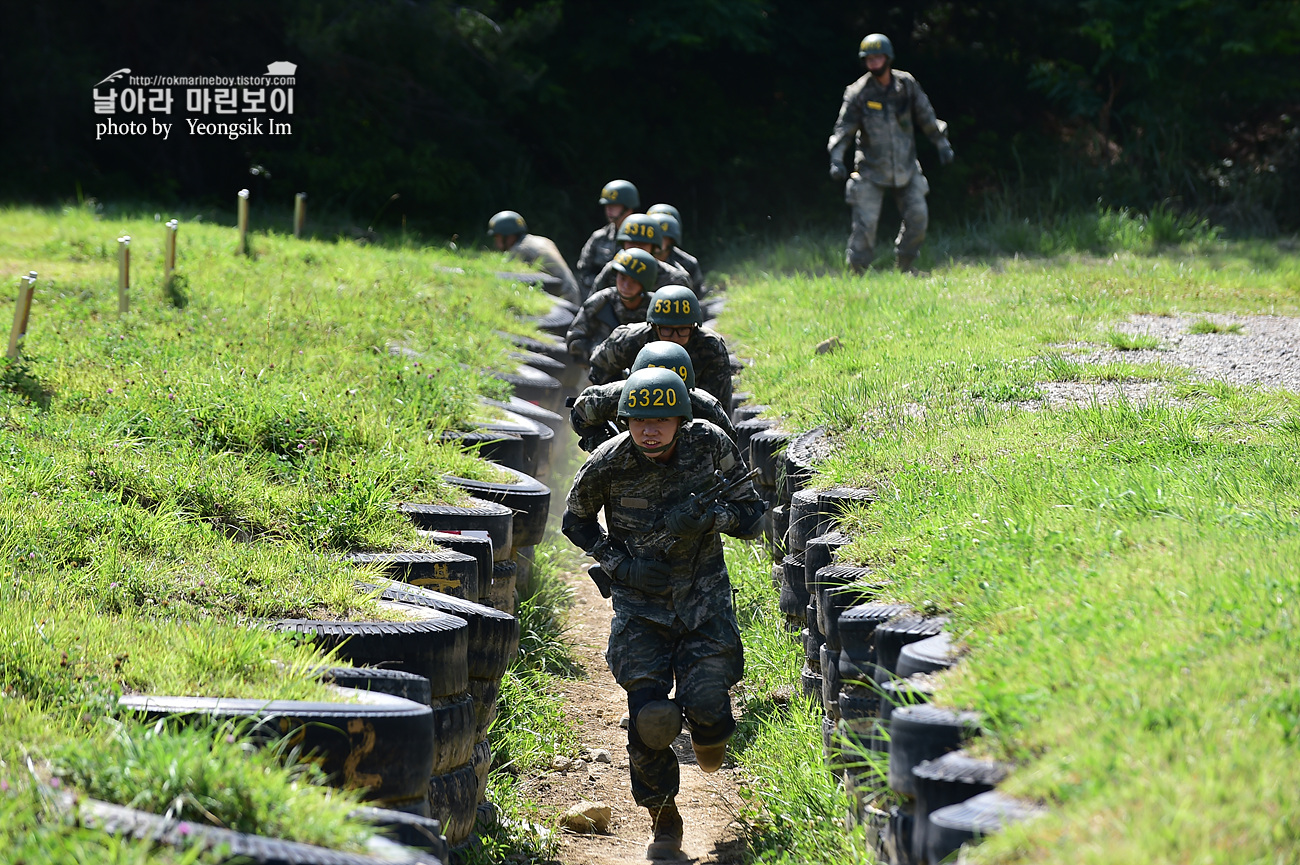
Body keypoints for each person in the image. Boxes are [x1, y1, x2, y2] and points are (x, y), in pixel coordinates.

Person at [561, 367, 764, 860]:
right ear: (626, 420)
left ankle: (711, 736)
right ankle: (663, 819)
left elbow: (753, 514)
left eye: (661, 419)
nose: (649, 430)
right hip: (641, 615)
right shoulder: (609, 463)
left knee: (710, 710)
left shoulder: (710, 445)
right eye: (638, 420)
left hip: (704, 605)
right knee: (650, 720)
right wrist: (621, 565)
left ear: (680, 418)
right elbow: (575, 520)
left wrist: (712, 518)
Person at [827, 33, 954, 275]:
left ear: (888, 58)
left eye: (878, 57)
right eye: (869, 59)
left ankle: (905, 267)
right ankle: (858, 273)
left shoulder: (906, 86)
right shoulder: (858, 93)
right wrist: (836, 159)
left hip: (906, 166)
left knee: (918, 217)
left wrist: (942, 144)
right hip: (870, 169)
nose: (873, 63)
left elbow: (927, 117)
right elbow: (843, 130)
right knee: (865, 226)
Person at [569, 341, 737, 452]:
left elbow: (729, 447)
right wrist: (607, 446)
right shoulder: (613, 397)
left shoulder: (707, 409)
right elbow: (579, 412)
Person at [589, 285, 734, 412]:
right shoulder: (628, 340)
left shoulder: (711, 348)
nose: (675, 337)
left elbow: (719, 406)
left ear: (694, 327)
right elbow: (598, 368)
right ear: (654, 327)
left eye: (683, 330)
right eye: (666, 329)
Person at [565, 248, 660, 365]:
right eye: (622, 278)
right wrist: (599, 353)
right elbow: (575, 338)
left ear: (645, 283)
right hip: (599, 369)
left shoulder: (656, 307)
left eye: (633, 281)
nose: (626, 286)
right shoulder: (600, 301)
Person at [486, 210, 581, 305]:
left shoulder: (520, 249)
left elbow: (507, 278)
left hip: (563, 301)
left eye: (497, 237)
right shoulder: (541, 240)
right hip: (573, 296)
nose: (496, 242)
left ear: (509, 236)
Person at [589, 213, 691, 292]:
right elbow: (591, 307)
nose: (636, 248)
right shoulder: (611, 271)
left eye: (642, 244)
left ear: (653, 247)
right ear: (623, 244)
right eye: (631, 243)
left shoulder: (674, 279)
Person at [576, 179, 640, 299]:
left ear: (628, 207)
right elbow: (584, 272)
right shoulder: (598, 238)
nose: (609, 210)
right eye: (607, 205)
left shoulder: (643, 240)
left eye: (614, 205)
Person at [646, 206, 708, 298]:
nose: (657, 240)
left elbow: (698, 298)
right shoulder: (636, 260)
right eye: (653, 235)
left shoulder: (688, 264)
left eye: (662, 235)